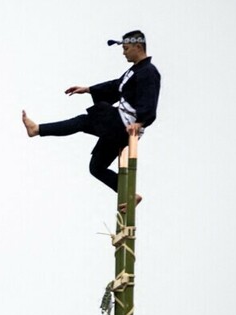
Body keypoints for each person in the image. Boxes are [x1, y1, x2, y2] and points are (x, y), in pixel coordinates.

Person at [22, 30, 161, 201]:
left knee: (83, 121)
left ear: (138, 46)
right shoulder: (135, 71)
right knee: (96, 167)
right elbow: (115, 86)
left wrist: (139, 123)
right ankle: (130, 195)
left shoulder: (148, 71)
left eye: (126, 48)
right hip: (120, 127)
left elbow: (150, 103)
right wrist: (88, 89)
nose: (123, 53)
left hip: (124, 125)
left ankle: (37, 129)